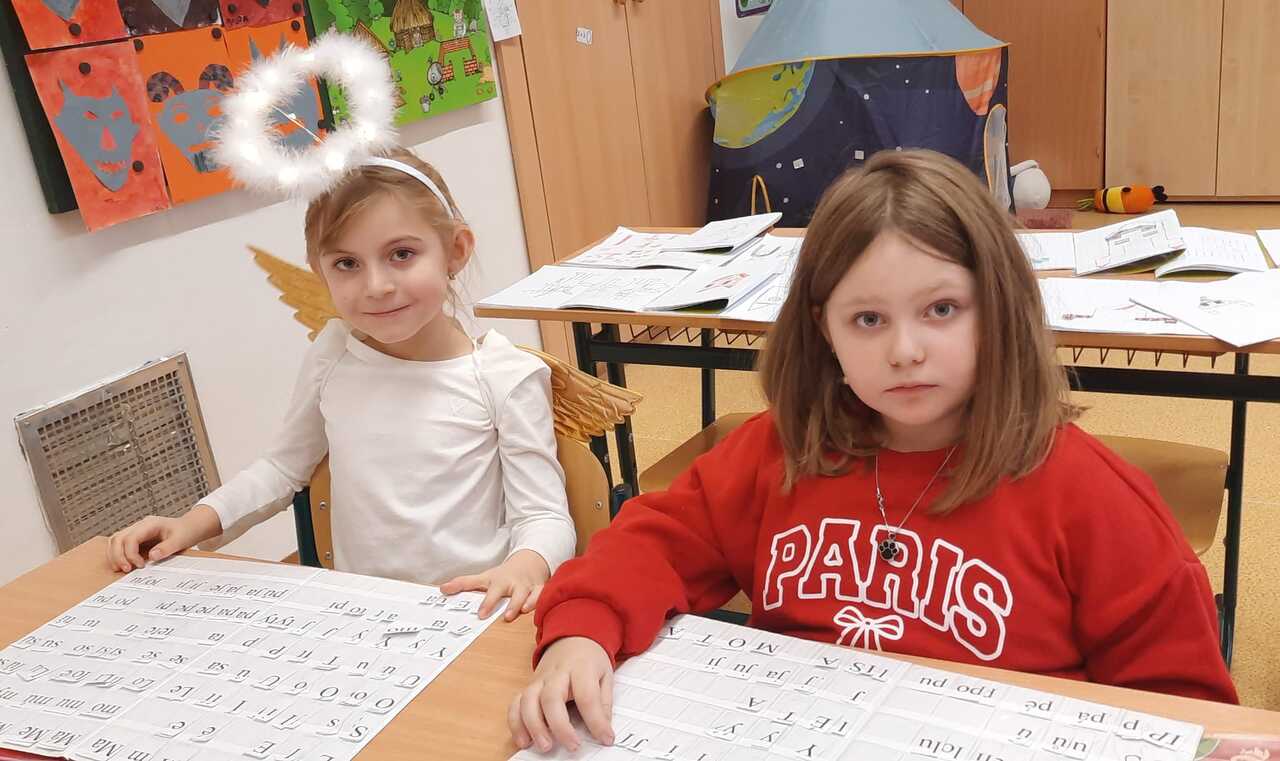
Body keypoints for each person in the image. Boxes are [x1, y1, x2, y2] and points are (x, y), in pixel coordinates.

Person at [509, 149, 1237, 754]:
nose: (905, 349)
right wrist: (582, 632)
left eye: (942, 309)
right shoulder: (781, 451)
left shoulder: (1091, 494)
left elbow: (1185, 706)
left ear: (999, 309)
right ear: (824, 329)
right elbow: (651, 544)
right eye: (867, 319)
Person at [107, 148, 576, 621]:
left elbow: (545, 517)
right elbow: (283, 468)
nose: (376, 286)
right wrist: (191, 523)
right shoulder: (334, 353)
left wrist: (523, 566)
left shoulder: (504, 376)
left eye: (402, 254)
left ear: (455, 250)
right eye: (347, 263)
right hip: (362, 616)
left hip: (474, 615)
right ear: (319, 270)